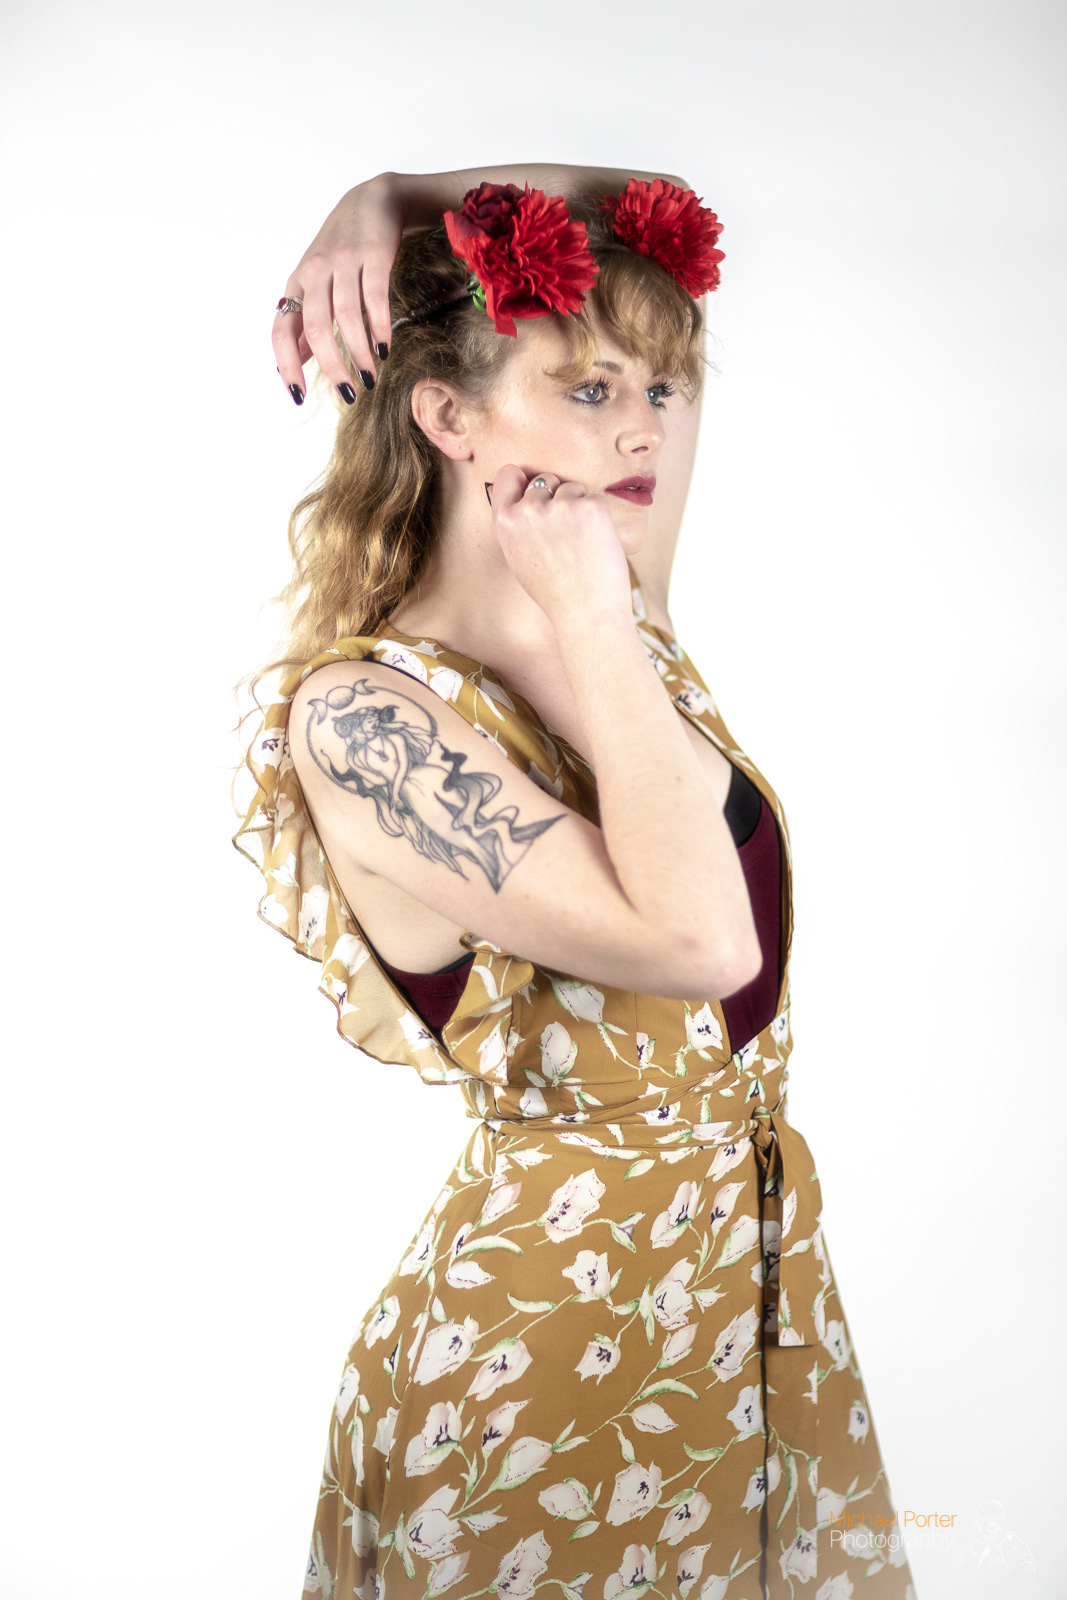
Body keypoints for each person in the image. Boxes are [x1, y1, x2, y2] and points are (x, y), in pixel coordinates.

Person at [234, 164, 917, 1600]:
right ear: (447, 418)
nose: (646, 428)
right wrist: (597, 621)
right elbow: (701, 945)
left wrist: (386, 198)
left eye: (659, 390)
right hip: (530, 1379)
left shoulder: (626, 594)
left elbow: (656, 204)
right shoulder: (369, 718)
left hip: (750, 1321)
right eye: (592, 391)